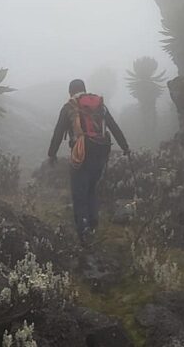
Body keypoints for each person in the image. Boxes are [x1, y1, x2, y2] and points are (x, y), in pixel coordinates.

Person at [48, 78, 129, 243]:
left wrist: (52, 154)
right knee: (92, 189)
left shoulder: (70, 107)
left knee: (79, 192)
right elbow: (113, 127)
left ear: (71, 91)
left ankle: (84, 230)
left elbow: (58, 133)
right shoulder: (100, 105)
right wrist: (125, 147)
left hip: (81, 153)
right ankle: (93, 224)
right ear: (84, 89)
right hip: (101, 152)